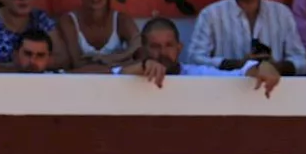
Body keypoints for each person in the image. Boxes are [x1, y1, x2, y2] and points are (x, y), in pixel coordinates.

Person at [113, 17, 282, 96]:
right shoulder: (132, 72)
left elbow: (240, 74)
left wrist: (262, 66)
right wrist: (142, 67)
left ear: (179, 48)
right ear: (143, 50)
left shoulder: (198, 74)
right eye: (155, 47)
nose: (162, 53)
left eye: (169, 45)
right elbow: (108, 76)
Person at [58, 0, 138, 70]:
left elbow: (140, 49)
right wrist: (122, 63)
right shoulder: (68, 21)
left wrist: (110, 59)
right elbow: (77, 64)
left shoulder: (121, 20)